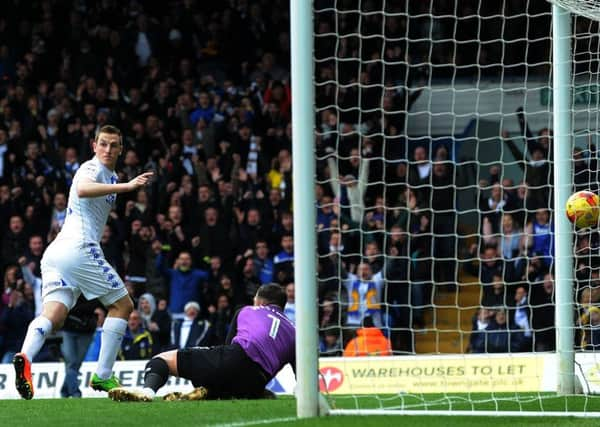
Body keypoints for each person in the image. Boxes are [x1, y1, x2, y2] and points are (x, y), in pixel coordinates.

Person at [12, 125, 153, 400]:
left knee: (54, 316)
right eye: (103, 144)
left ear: (121, 149)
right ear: (94, 145)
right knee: (123, 305)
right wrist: (128, 186)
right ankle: (102, 376)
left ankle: (25, 358)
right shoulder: (92, 168)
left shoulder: (109, 174)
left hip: (56, 254)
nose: (108, 150)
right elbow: (82, 188)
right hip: (80, 249)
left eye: (114, 145)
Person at [108, 283, 295, 402]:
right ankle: (209, 392)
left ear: (260, 300)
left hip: (236, 359)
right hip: (257, 382)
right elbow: (303, 377)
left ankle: (147, 392)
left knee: (161, 360)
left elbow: (227, 349)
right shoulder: (294, 330)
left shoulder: (247, 310)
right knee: (230, 382)